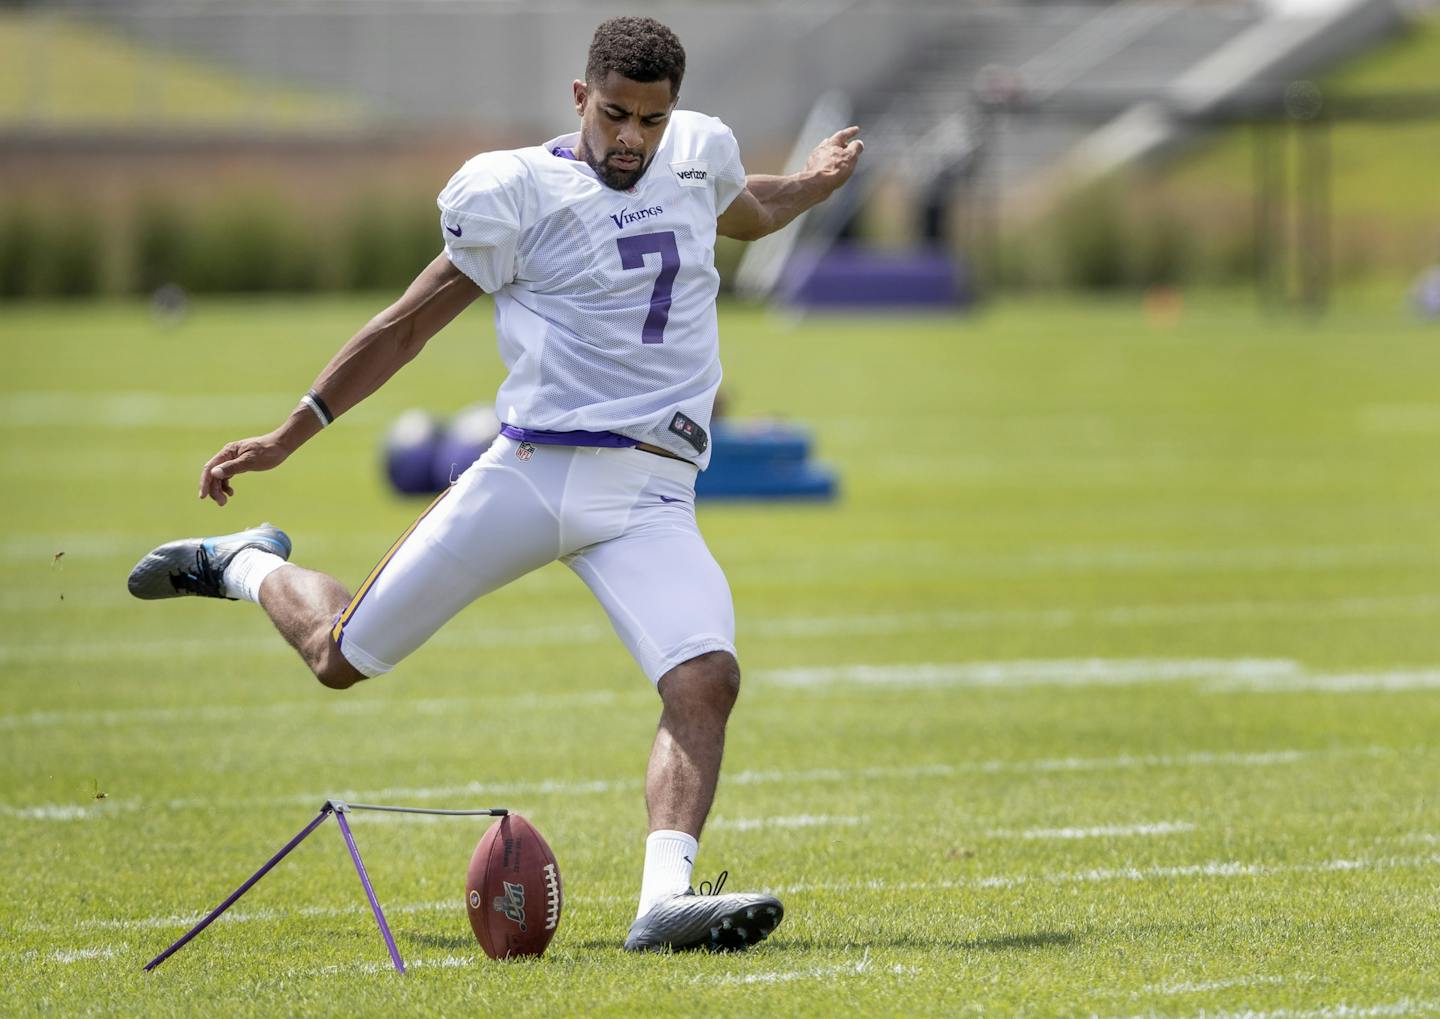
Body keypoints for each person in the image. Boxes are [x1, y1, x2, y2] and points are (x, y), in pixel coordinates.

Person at [127, 15, 862, 954]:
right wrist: (286, 434)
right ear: (579, 99)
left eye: (650, 118)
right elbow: (404, 327)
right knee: (341, 657)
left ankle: (661, 901)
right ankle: (242, 564)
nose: (631, 137)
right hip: (533, 472)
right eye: (615, 115)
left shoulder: (696, 152)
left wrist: (807, 185)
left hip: (649, 493)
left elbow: (738, 208)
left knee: (705, 677)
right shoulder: (519, 191)